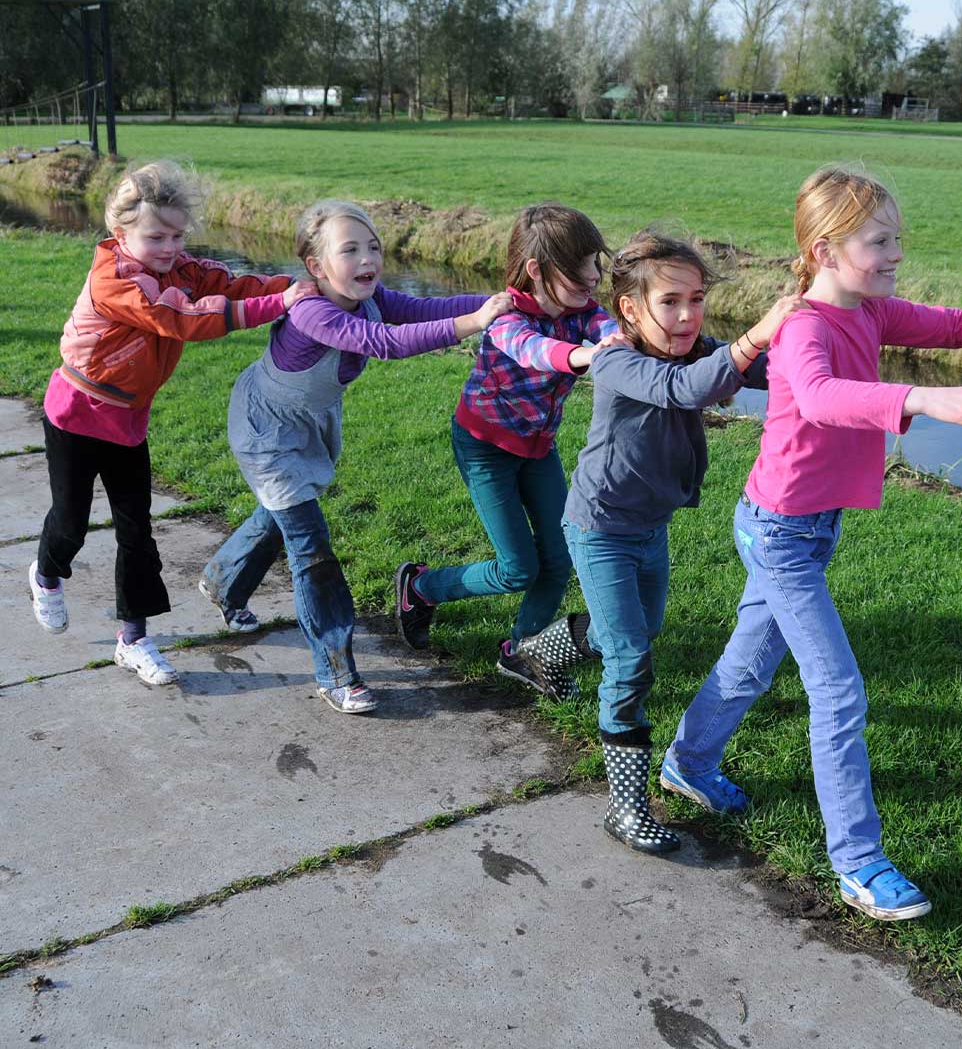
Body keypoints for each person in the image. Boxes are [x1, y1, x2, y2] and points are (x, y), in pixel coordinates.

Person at [661, 165, 962, 916]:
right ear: (823, 249)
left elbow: (951, 323)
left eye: (895, 239)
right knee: (838, 690)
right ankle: (858, 861)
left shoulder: (872, 311)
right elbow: (817, 396)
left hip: (808, 529)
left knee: (749, 663)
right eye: (879, 241)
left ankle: (688, 762)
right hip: (778, 531)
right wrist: (920, 396)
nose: (895, 254)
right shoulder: (804, 326)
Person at [516, 230, 802, 855]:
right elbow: (690, 389)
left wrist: (841, 372)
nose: (687, 315)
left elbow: (762, 373)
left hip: (649, 527)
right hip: (599, 526)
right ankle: (627, 806)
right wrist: (760, 332)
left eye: (696, 299)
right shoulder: (616, 358)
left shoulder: (695, 348)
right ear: (629, 308)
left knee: (637, 631)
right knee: (629, 659)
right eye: (671, 301)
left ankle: (536, 651)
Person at [200, 199, 511, 714]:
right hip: (267, 431)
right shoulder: (310, 309)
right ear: (316, 266)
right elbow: (382, 341)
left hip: (310, 423)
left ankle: (222, 579)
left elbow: (422, 309)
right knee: (310, 548)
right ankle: (336, 672)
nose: (367, 258)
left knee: (284, 517)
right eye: (350, 250)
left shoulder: (369, 297)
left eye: (373, 247)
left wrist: (497, 304)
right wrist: (476, 322)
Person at [28, 160, 314, 686]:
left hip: (127, 420)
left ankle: (133, 639)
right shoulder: (114, 279)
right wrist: (278, 304)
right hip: (76, 412)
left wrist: (296, 287)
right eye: (156, 236)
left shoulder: (178, 267)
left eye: (178, 236)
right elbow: (179, 317)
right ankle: (47, 573)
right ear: (121, 233)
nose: (169, 247)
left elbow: (227, 284)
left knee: (137, 528)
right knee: (70, 520)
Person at [393, 202, 628, 702]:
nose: (593, 276)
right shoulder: (505, 316)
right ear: (537, 270)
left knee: (558, 560)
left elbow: (609, 328)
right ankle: (422, 588)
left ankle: (521, 650)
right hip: (484, 450)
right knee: (517, 568)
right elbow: (533, 351)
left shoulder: (583, 311)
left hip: (538, 449)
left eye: (595, 263)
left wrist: (618, 340)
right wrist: (586, 356)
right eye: (580, 266)